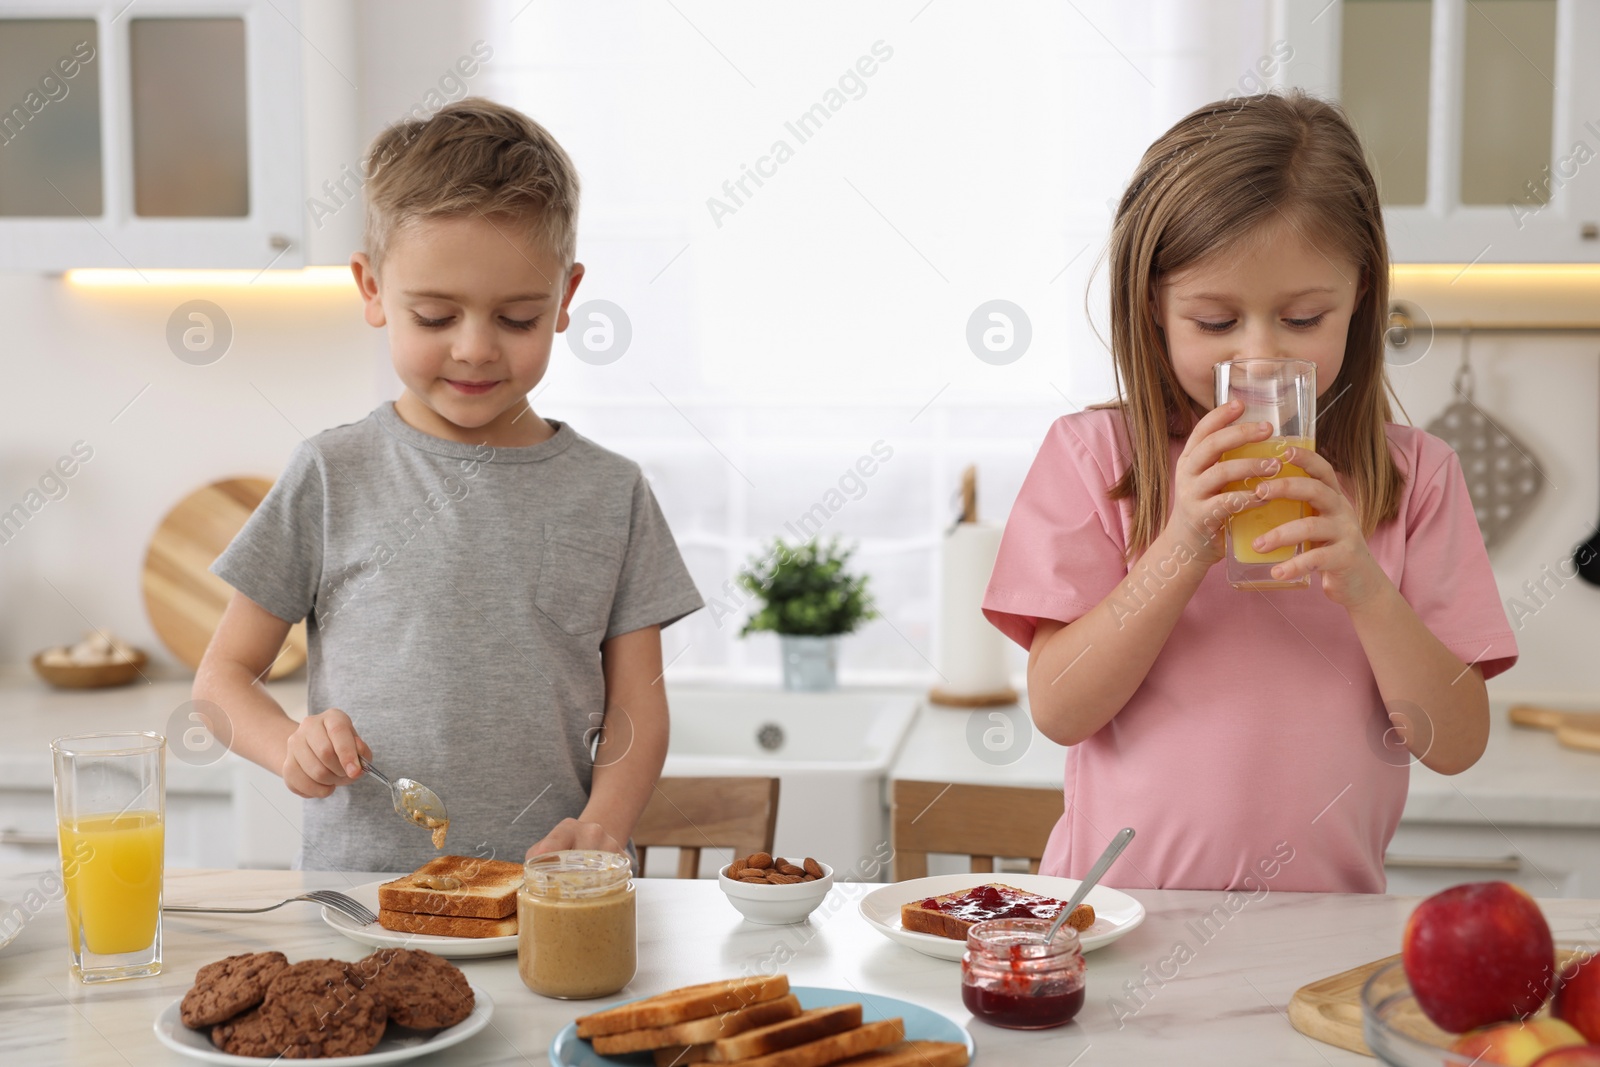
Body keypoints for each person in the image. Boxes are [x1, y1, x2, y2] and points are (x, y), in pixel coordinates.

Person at [982, 91, 1517, 893]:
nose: (1261, 355)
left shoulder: (1417, 477)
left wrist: (1367, 587)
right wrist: (1184, 544)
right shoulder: (1095, 457)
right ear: (1154, 308)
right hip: (1119, 928)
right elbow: (1062, 710)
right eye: (1215, 322)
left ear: (1360, 298)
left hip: (1326, 943)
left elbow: (1456, 741)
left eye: (1303, 318)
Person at [196, 98, 704, 872]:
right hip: (366, 903)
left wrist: (604, 822)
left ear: (566, 299)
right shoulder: (333, 475)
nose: (474, 348)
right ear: (371, 289)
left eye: (518, 317)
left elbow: (637, 706)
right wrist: (288, 744)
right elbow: (221, 679)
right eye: (435, 316)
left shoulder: (613, 493)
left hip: (547, 901)